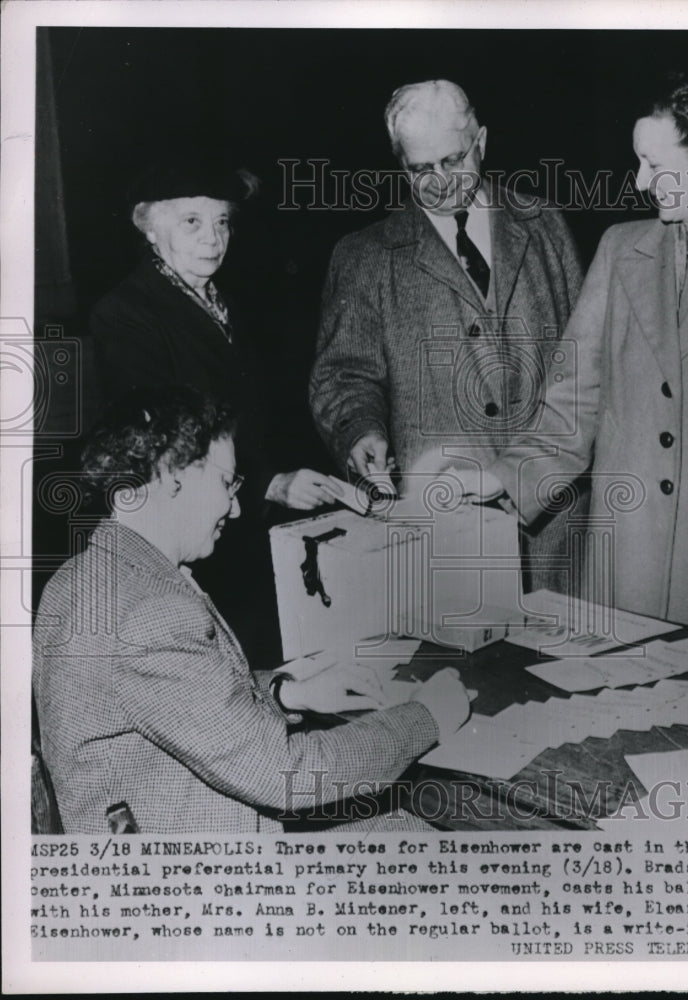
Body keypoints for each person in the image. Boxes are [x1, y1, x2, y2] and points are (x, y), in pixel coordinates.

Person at [460, 81, 688, 650]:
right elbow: (572, 405)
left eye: (654, 164)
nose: (641, 181)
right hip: (626, 563)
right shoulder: (619, 249)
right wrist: (502, 476)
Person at [32, 386, 470, 834]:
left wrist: (286, 692)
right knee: (422, 838)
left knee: (401, 830)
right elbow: (288, 776)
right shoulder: (150, 612)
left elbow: (185, 703)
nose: (237, 508)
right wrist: (426, 716)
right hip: (201, 880)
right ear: (167, 477)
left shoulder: (80, 577)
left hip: (157, 832)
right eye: (226, 483)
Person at [309, 79, 585, 593]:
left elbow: (588, 369)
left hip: (555, 527)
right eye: (420, 170)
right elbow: (343, 376)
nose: (438, 182)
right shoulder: (364, 256)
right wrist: (359, 431)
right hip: (446, 529)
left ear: (481, 142)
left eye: (453, 161)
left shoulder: (544, 224)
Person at [90, 157, 341, 666]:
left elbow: (256, 419)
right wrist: (269, 481)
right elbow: (164, 447)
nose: (213, 237)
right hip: (187, 541)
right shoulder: (126, 313)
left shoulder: (223, 304)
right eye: (192, 221)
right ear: (150, 229)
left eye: (222, 221)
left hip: (242, 530)